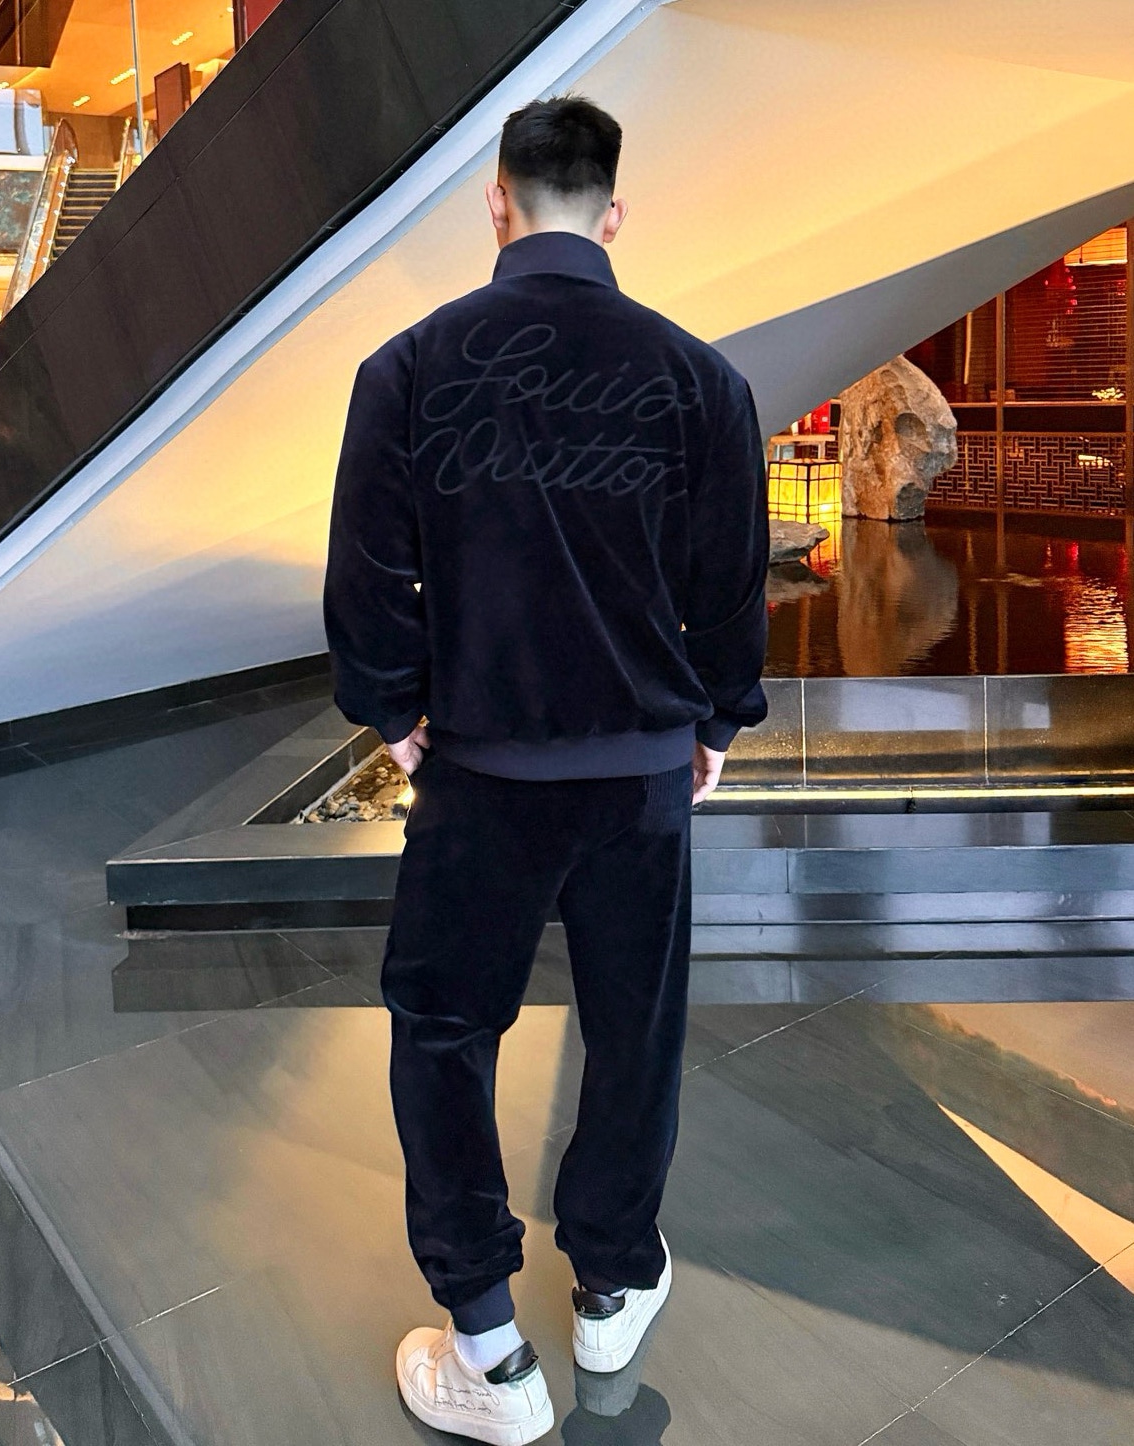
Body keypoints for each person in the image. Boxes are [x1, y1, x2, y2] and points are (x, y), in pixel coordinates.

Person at [324, 93, 769, 1445]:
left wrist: (393, 711)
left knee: (445, 1033)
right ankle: (612, 1287)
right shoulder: (703, 382)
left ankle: (486, 1345)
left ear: (496, 200)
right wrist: (714, 722)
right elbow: (728, 587)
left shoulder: (408, 369)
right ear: (614, 212)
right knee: (636, 1032)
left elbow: (366, 576)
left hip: (480, 777)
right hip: (639, 779)